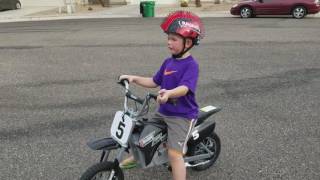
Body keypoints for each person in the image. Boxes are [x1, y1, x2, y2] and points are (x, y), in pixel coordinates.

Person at [119, 10, 205, 180]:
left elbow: (185, 88)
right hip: (164, 112)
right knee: (143, 135)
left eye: (173, 39)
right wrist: (134, 78)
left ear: (187, 42)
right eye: (168, 38)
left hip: (182, 116)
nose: (168, 42)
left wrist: (170, 93)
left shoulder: (191, 65)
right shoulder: (168, 61)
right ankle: (138, 156)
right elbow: (154, 81)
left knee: (174, 154)